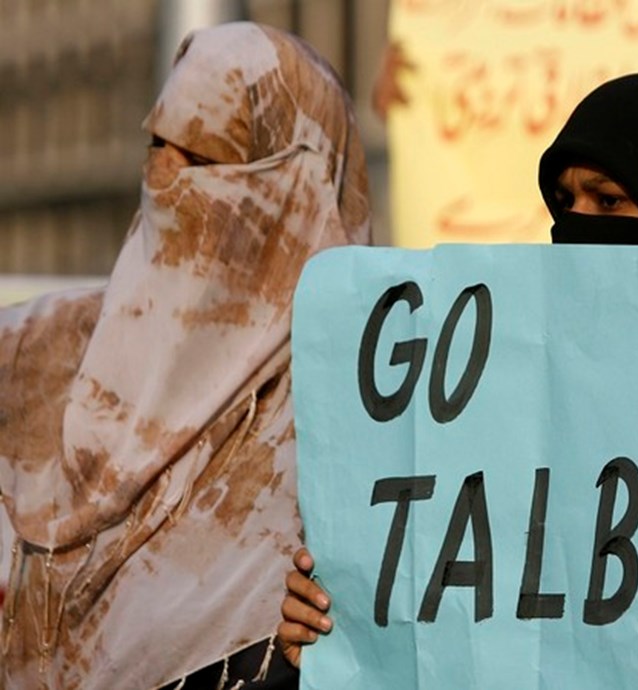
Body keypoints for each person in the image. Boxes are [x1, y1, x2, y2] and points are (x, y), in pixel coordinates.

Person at [277, 72, 638, 689]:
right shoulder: (498, 448)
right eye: (565, 204)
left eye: (608, 200)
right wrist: (343, 642)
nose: (577, 227)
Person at [0, 21, 371, 690]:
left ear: (298, 187)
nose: (166, 181)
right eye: (156, 146)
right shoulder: (37, 354)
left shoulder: (367, 412)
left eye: (202, 163)